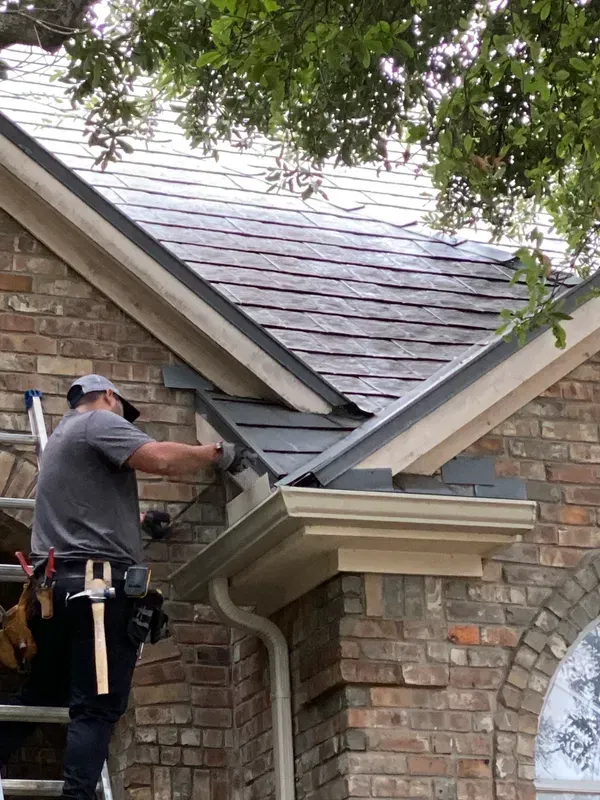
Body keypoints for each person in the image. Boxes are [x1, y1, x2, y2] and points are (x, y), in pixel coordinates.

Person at [0, 374, 242, 800]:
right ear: (109, 396)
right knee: (96, 707)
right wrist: (216, 452)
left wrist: (142, 521)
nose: (124, 425)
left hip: (54, 594)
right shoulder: (97, 421)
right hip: (94, 594)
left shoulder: (59, 440)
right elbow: (160, 459)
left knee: (44, 691)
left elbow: (84, 514)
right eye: (122, 414)